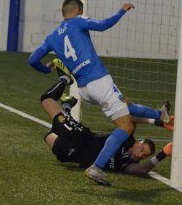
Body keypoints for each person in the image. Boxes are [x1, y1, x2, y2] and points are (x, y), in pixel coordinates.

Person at [28, 0, 168, 186]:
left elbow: (32, 60)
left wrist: (46, 69)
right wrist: (121, 11)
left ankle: (160, 115)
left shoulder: (52, 37)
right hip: (99, 81)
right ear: (78, 10)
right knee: (125, 127)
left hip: (84, 89)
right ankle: (97, 167)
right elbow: (102, 25)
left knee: (125, 103)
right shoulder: (78, 21)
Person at [40, 76, 174, 185]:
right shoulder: (127, 138)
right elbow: (131, 117)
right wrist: (159, 123)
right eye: (142, 150)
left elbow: (142, 170)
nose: (140, 155)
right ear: (138, 143)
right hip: (79, 136)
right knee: (46, 100)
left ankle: (67, 107)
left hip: (71, 155)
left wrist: (163, 154)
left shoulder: (128, 164)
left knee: (48, 135)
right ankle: (64, 78)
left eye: (144, 156)